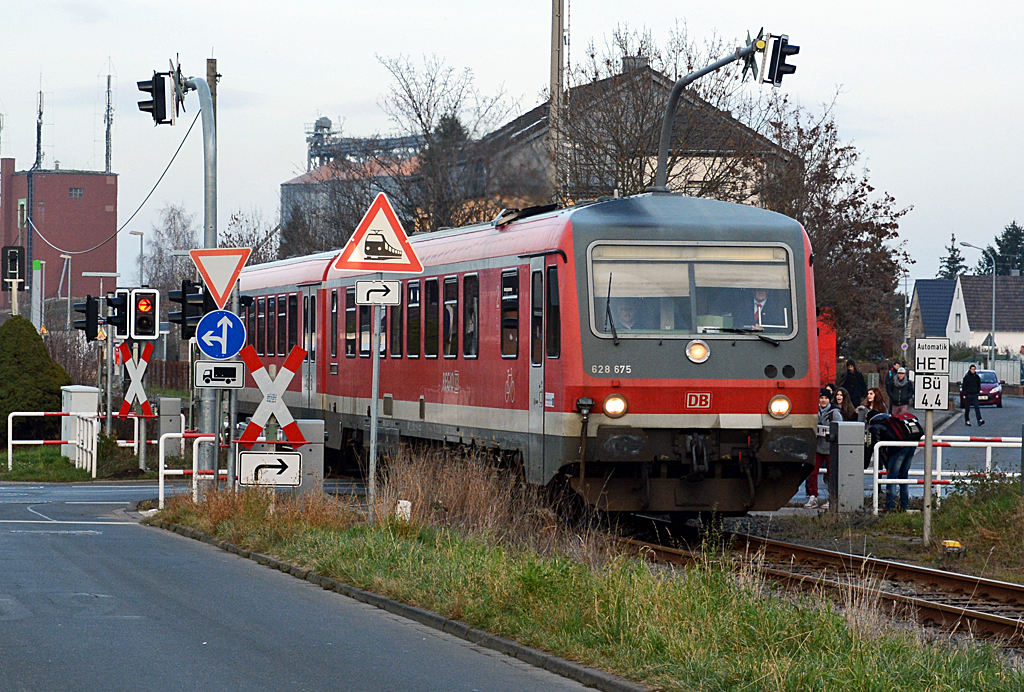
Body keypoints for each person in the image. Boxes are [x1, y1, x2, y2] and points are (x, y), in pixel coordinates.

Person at [867, 413, 924, 511]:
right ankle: (904, 506)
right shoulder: (890, 421)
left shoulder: (874, 428)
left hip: (898, 449)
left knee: (892, 478)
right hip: (911, 445)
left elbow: (880, 449)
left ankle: (890, 506)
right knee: (903, 477)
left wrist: (887, 466)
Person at [806, 388, 843, 509]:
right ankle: (813, 496)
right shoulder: (814, 411)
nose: (823, 400)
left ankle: (832, 498)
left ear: (829, 400)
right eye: (821, 398)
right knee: (812, 472)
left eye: (826, 398)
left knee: (831, 474)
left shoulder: (834, 413)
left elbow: (840, 427)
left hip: (830, 447)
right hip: (817, 446)